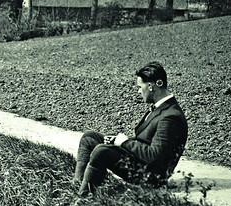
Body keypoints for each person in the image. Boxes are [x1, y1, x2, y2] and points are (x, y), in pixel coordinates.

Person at [74, 61, 188, 196]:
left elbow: (155, 156)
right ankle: (77, 185)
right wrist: (119, 141)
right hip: (140, 161)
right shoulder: (161, 108)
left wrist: (124, 143)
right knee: (89, 137)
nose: (139, 91)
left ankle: (83, 198)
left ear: (151, 86)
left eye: (140, 87)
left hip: (150, 175)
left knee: (101, 152)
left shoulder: (170, 117)